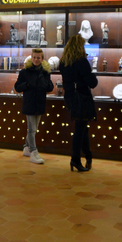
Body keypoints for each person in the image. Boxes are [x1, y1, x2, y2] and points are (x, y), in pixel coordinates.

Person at [59, 35, 98, 172]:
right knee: (80, 128)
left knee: (82, 127)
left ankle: (87, 156)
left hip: (70, 97)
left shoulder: (63, 61)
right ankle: (75, 159)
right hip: (82, 97)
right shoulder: (82, 61)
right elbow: (92, 83)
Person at [13, 49, 54, 164]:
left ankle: (26, 147)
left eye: (38, 57)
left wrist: (46, 85)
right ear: (31, 57)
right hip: (29, 103)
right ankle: (33, 152)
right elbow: (17, 87)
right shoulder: (25, 72)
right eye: (34, 57)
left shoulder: (45, 72)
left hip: (40, 103)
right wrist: (26, 84)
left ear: (42, 59)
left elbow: (50, 87)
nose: (36, 60)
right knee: (31, 129)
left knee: (34, 128)